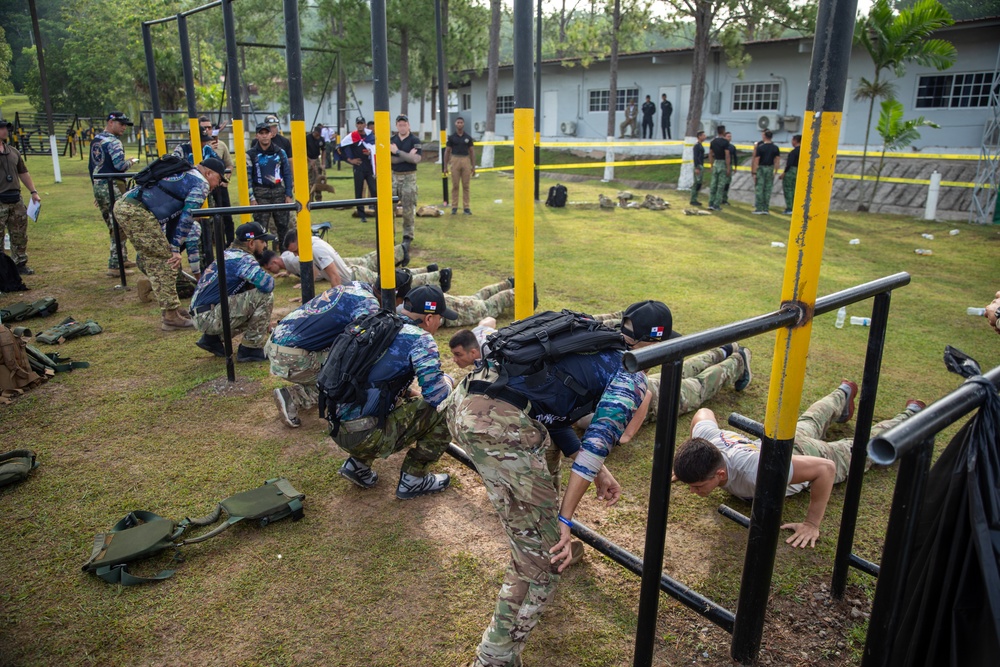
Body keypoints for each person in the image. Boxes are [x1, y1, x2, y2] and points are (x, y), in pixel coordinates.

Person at [445, 300, 673, 667]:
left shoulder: (584, 334)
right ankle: (494, 658)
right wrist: (565, 520)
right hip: (500, 429)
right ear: (653, 344)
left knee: (533, 530)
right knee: (545, 558)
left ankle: (535, 534)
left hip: (466, 404)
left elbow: (550, 405)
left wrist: (598, 473)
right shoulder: (631, 375)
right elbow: (595, 448)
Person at [674, 381, 925, 548]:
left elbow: (825, 469)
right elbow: (703, 412)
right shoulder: (708, 439)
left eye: (697, 485)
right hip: (778, 446)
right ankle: (843, 393)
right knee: (810, 419)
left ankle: (913, 417)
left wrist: (811, 524)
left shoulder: (754, 471)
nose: (693, 491)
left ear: (719, 473)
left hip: (806, 455)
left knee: (866, 447)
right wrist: (689, 463)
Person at [334, 284, 457, 500]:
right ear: (429, 319)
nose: (440, 323)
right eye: (440, 318)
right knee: (448, 406)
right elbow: (437, 395)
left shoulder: (379, 322)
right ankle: (414, 479)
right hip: (366, 436)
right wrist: (448, 380)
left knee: (392, 399)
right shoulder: (420, 339)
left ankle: (358, 464)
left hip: (336, 426)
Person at [113, 157, 226, 331]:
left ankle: (173, 309)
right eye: (219, 179)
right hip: (137, 211)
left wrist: (172, 244)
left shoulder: (187, 174)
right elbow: (187, 217)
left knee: (158, 260)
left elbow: (174, 214)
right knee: (166, 261)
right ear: (209, 173)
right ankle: (171, 317)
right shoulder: (201, 184)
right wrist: (174, 248)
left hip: (128, 206)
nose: (218, 184)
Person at [579, 343, 752, 445]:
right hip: (644, 384)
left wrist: (626, 435)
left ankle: (739, 361)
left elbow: (645, 396)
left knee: (701, 385)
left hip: (657, 399)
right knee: (686, 368)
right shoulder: (581, 393)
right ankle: (726, 350)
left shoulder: (583, 415)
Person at [267, 281, 380, 427]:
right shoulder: (368, 305)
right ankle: (295, 397)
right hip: (290, 356)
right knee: (353, 371)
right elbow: (367, 339)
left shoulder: (355, 286)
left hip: (277, 342)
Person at [190, 221, 276, 362]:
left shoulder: (228, 254)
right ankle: (251, 349)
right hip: (209, 316)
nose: (265, 245)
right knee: (264, 296)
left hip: (202, 314)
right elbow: (267, 284)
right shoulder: (242, 259)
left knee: (252, 306)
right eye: (263, 241)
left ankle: (212, 339)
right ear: (251, 243)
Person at [89, 111, 139, 276]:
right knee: (119, 223)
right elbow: (120, 166)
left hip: (99, 186)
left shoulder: (96, 140)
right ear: (111, 122)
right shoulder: (114, 142)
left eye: (125, 124)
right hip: (113, 185)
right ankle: (115, 264)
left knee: (113, 223)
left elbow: (92, 167)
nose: (124, 127)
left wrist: (96, 190)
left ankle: (122, 258)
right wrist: (131, 162)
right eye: (121, 123)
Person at [0, 120, 41, 277]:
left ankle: (20, 264)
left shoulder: (13, 152)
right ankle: (2, 268)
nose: (5, 131)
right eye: (1, 128)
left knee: (19, 234)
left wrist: (33, 191)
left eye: (6, 128)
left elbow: (23, 172)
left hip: (15, 199)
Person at [246, 122, 294, 249]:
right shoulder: (251, 154)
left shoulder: (280, 152)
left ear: (271, 134)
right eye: (261, 134)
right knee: (261, 228)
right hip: (260, 192)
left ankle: (286, 254)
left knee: (284, 226)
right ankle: (263, 255)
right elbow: (248, 177)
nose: (264, 136)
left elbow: (287, 173)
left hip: (279, 191)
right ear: (257, 136)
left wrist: (288, 194)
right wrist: (252, 197)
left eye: (266, 133)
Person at [389, 114, 421, 248]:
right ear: (396, 126)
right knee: (390, 209)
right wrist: (407, 155)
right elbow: (391, 160)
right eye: (400, 124)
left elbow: (416, 159)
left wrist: (397, 152)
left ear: (409, 125)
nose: (402, 127)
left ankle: (407, 237)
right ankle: (390, 236)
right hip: (394, 177)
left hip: (409, 177)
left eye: (404, 124)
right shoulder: (391, 140)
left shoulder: (415, 140)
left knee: (408, 209)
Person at [340, 117, 376, 222]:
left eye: (362, 123)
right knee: (359, 191)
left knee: (374, 189)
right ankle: (361, 214)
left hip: (369, 166)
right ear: (356, 125)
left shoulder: (370, 136)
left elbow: (376, 149)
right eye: (358, 123)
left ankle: (376, 209)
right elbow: (340, 148)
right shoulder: (352, 137)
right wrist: (350, 160)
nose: (360, 125)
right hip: (358, 167)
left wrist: (370, 153)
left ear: (365, 125)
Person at [445, 116, 476, 215]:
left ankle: (466, 207)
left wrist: (473, 166)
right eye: (458, 122)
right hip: (455, 160)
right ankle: (454, 207)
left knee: (466, 185)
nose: (459, 124)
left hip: (466, 160)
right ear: (455, 124)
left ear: (463, 124)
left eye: (461, 122)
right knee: (455, 185)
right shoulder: (451, 137)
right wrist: (445, 166)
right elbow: (447, 151)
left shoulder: (468, 137)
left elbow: (472, 151)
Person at [752, 130, 781, 215]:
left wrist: (754, 172)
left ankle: (759, 208)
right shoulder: (775, 148)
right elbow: (777, 160)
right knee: (768, 189)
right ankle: (766, 208)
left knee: (760, 188)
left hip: (761, 168)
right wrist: (775, 171)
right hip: (770, 168)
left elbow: (756, 160)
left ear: (764, 136)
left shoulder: (760, 147)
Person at [306, 124, 335, 202]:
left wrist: (323, 163)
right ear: (314, 133)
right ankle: (310, 199)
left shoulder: (321, 139)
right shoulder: (307, 138)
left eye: (319, 135)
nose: (318, 137)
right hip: (307, 159)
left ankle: (319, 198)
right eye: (317, 135)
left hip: (316, 159)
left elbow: (324, 150)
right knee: (310, 180)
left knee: (319, 179)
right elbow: (303, 151)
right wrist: (309, 160)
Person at [707, 125, 731, 211]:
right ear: (723, 131)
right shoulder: (725, 142)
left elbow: (710, 154)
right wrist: (728, 167)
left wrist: (711, 165)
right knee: (721, 185)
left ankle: (710, 202)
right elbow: (727, 155)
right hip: (722, 163)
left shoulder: (713, 141)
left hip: (716, 162)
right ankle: (716, 204)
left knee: (713, 184)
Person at [779, 134, 801, 215]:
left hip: (792, 170)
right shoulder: (805, 151)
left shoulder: (794, 152)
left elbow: (789, 164)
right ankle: (796, 207)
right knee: (796, 190)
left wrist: (784, 173)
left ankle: (790, 207)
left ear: (795, 141)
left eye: (792, 140)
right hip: (800, 172)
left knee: (788, 189)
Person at [689, 130, 706, 207]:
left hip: (701, 165)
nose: (705, 137)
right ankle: (693, 199)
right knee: (696, 183)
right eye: (703, 135)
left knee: (699, 183)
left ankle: (695, 198)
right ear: (699, 136)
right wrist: (697, 167)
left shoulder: (700, 145)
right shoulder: (697, 146)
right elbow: (695, 157)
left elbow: (700, 156)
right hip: (698, 166)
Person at [722, 131, 739, 206]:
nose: (729, 138)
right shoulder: (721, 146)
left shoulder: (732, 147)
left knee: (727, 183)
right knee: (721, 183)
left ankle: (724, 198)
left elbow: (734, 157)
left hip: (730, 165)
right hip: (722, 165)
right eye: (728, 136)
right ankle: (719, 198)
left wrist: (735, 167)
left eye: (730, 136)